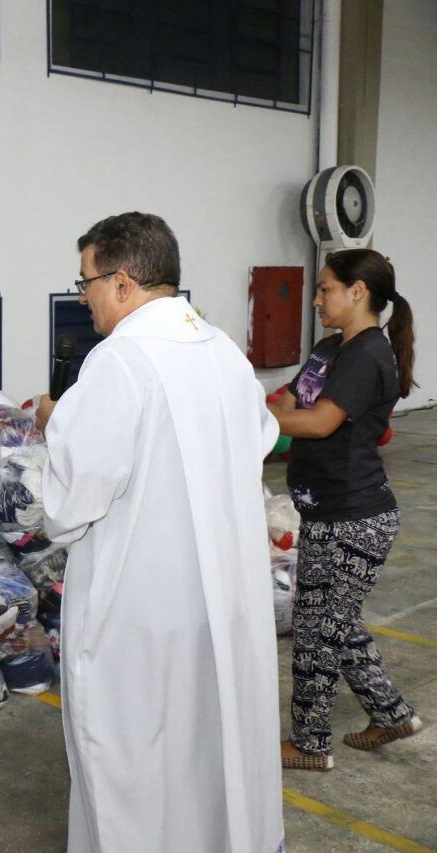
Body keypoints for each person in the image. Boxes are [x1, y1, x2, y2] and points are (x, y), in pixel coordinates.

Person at [34, 212, 284, 853]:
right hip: (220, 601)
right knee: (212, 746)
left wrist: (55, 426)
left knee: (135, 760)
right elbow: (260, 438)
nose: (83, 296)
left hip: (138, 615)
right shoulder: (224, 351)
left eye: (86, 281)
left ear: (121, 282)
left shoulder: (120, 360)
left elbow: (70, 504)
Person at [268, 249, 422, 771]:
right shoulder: (331, 348)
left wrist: (257, 419)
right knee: (334, 621)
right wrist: (269, 412)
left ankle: (310, 745)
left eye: (325, 289)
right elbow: (287, 402)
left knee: (317, 633)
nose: (316, 300)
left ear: (358, 292)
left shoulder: (367, 355)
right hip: (325, 512)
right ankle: (392, 714)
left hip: (355, 518)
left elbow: (317, 423)